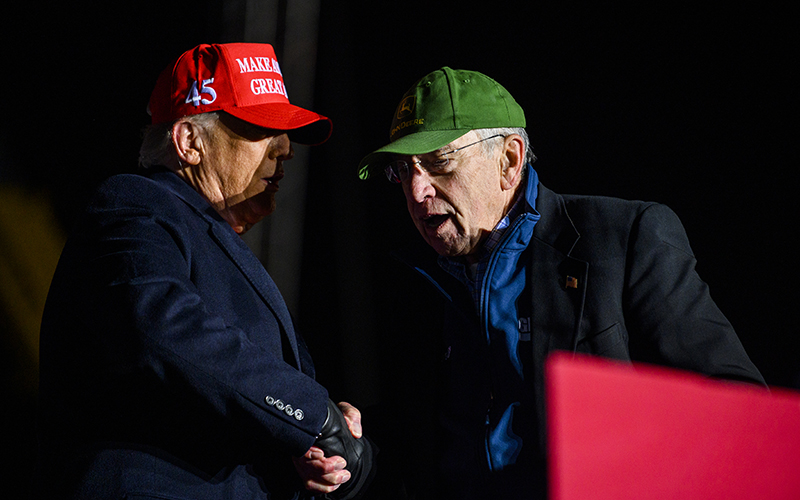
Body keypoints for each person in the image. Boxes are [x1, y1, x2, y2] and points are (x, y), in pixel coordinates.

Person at [356, 67, 765, 499]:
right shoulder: (414, 280)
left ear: (509, 161)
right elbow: (411, 443)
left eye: (439, 162)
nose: (417, 190)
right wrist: (355, 450)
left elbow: (739, 411)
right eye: (403, 171)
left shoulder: (623, 240)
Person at [37, 43, 374, 500]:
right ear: (189, 142)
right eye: (261, 128)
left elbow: (257, 397)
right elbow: (161, 327)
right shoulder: (136, 204)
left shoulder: (222, 247)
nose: (285, 149)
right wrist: (313, 414)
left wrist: (331, 454)